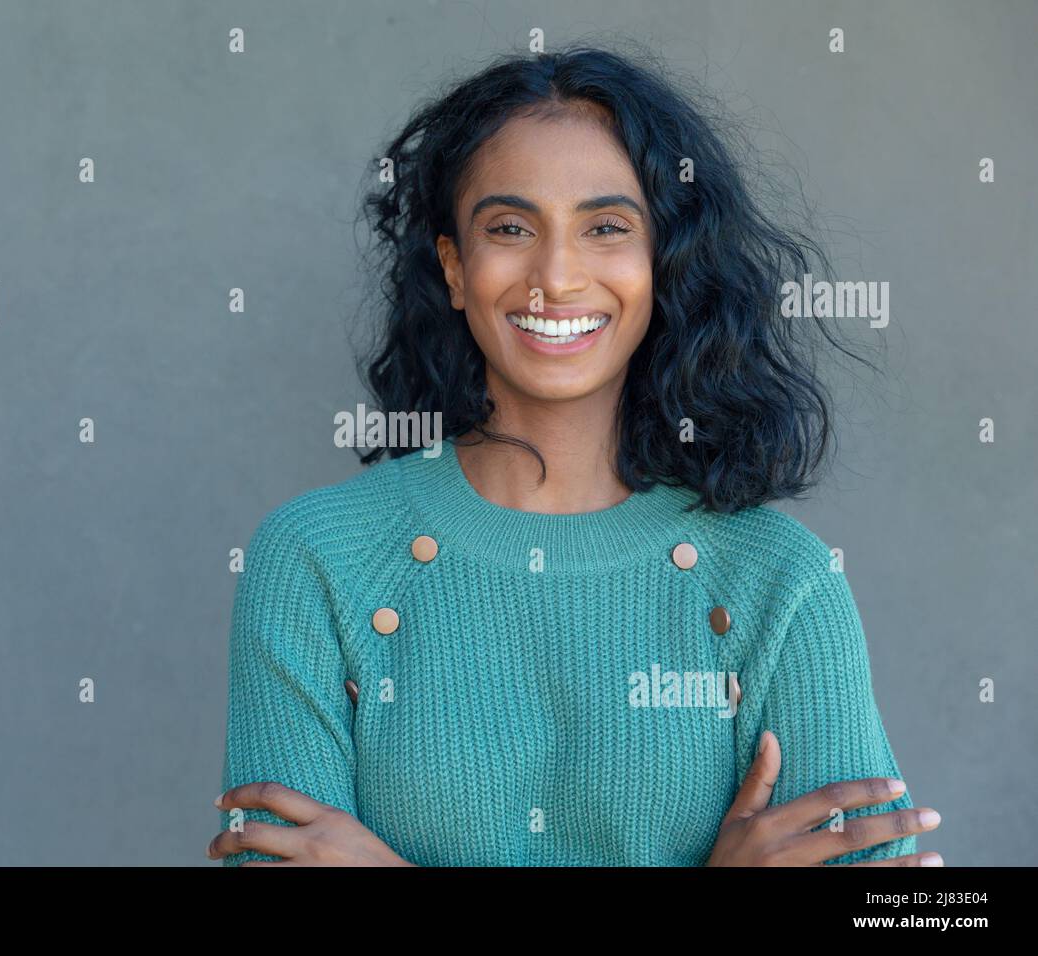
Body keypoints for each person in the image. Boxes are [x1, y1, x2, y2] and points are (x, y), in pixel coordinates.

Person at [208, 45, 942, 866]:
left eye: (606, 227)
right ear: (454, 267)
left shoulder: (781, 581)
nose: (555, 277)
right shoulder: (314, 560)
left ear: (662, 263)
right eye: (511, 228)